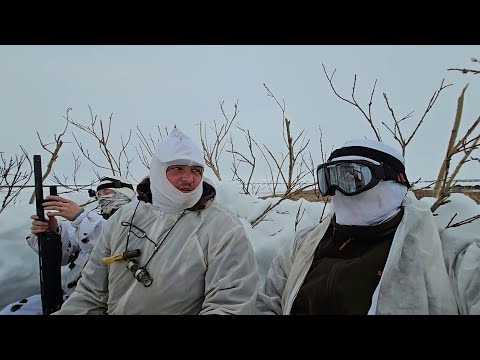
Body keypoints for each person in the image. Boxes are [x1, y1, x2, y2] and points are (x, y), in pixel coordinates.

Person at [54, 128, 259, 315]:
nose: (189, 178)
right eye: (177, 169)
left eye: (196, 170)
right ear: (158, 171)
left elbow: (230, 306)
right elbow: (90, 295)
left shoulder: (223, 228)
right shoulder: (123, 219)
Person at [256, 138, 458, 315]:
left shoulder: (443, 255)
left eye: (352, 177)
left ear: (394, 183)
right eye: (329, 179)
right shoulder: (303, 246)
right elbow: (267, 304)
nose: (337, 191)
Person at [0, 176, 135, 315]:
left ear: (126, 193)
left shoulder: (141, 223)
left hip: (104, 304)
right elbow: (66, 255)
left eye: (108, 192)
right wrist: (52, 233)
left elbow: (115, 245)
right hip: (70, 297)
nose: (102, 198)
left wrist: (81, 217)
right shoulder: (96, 222)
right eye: (99, 194)